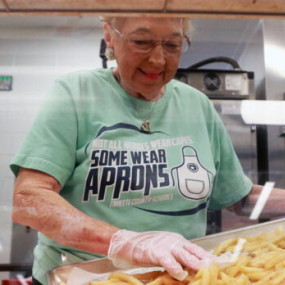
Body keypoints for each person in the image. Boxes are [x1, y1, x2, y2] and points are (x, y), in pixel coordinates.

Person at [10, 16, 285, 285]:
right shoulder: (76, 92)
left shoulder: (197, 104)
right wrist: (126, 242)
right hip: (84, 275)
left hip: (178, 276)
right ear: (109, 35)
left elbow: (239, 197)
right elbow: (30, 200)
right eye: (142, 42)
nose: (158, 60)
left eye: (172, 45)